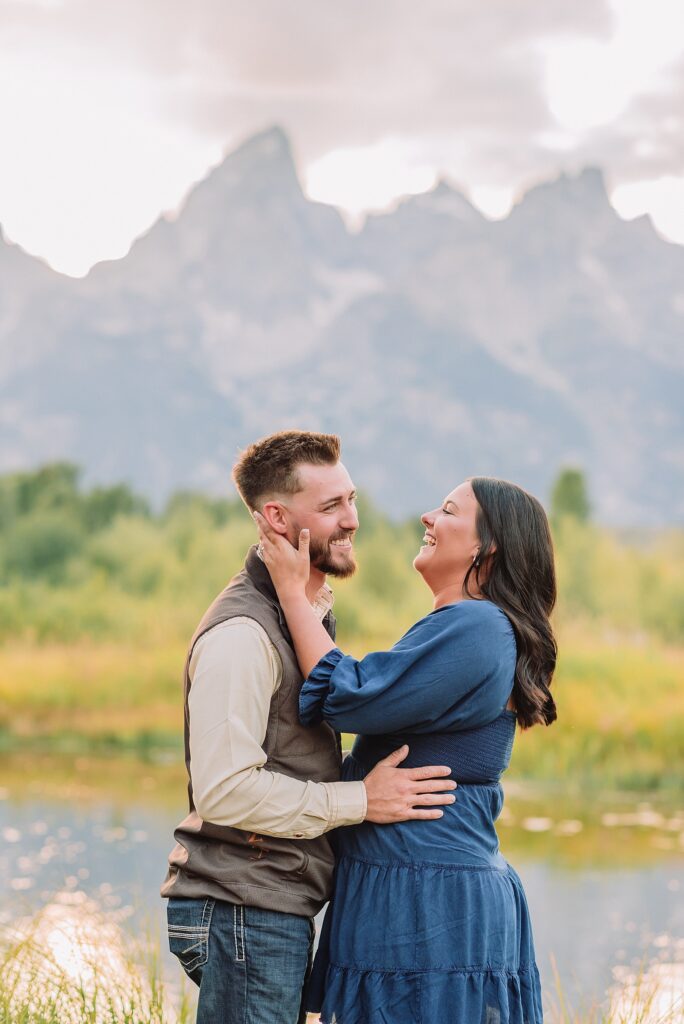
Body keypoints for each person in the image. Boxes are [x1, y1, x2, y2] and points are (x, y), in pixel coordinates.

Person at [160, 430, 457, 1024]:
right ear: (276, 517)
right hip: (243, 908)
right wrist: (361, 800)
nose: (351, 520)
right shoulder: (242, 634)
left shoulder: (305, 616)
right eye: (330, 508)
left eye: (351, 499)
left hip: (266, 906)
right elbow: (224, 791)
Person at [256, 475, 558, 1024]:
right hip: (412, 887)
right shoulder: (465, 625)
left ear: (486, 548)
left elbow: (349, 696)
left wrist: (292, 594)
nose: (428, 518)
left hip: (426, 903)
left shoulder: (479, 625)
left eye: (447, 510)